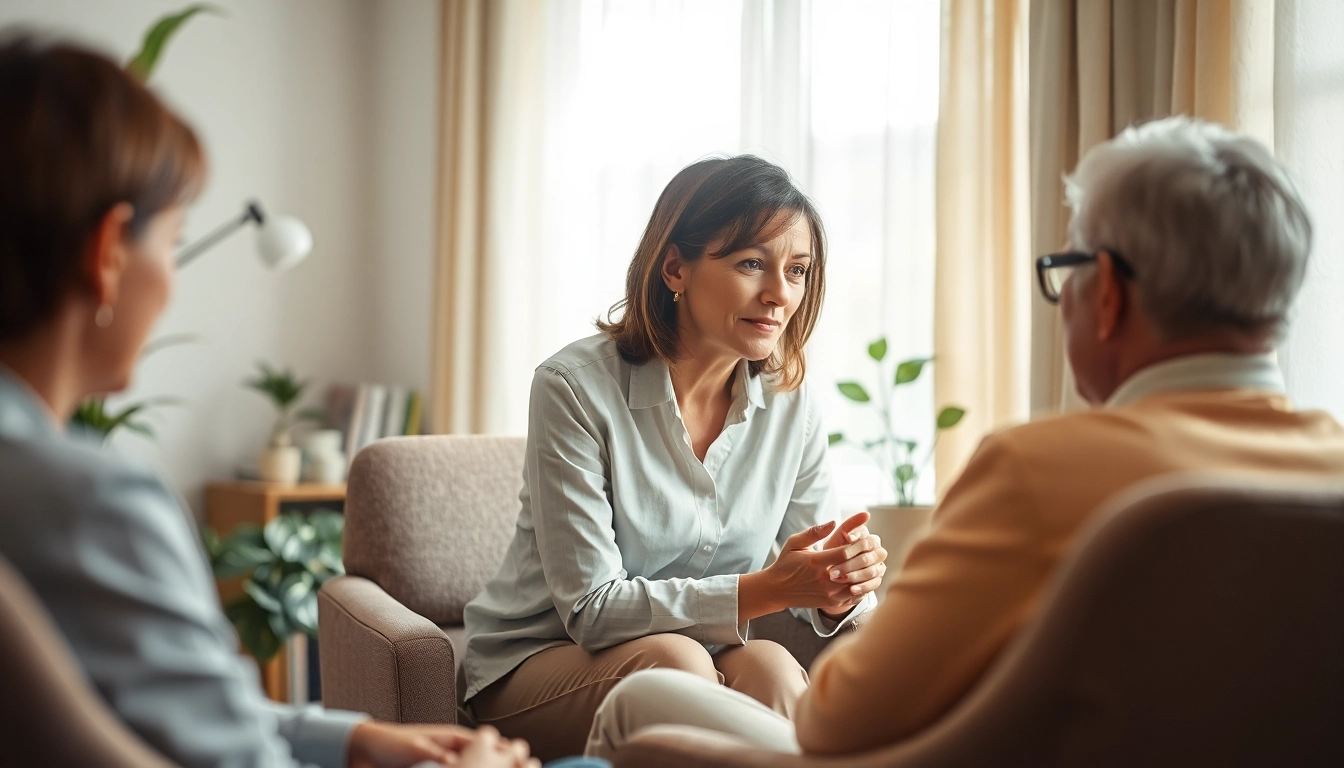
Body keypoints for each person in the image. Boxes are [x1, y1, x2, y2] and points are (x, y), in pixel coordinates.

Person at [585, 116, 1344, 759]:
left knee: (646, 700)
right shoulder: (1329, 474)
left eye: (1067, 268)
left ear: (1106, 292)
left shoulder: (1037, 471)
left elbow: (841, 714)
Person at [0, 34, 549, 768]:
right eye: (173, 241)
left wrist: (357, 736)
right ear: (106, 255)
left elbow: (160, 710)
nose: (172, 279)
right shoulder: (88, 503)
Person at [460, 155, 887, 760]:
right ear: (673, 268)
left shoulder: (793, 405)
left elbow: (817, 573)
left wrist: (839, 587)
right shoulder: (572, 389)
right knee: (675, 661)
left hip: (702, 658)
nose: (779, 295)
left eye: (797, 271)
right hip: (536, 666)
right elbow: (591, 610)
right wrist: (767, 588)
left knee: (769, 664)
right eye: (750, 264)